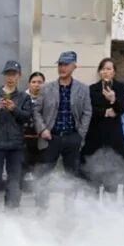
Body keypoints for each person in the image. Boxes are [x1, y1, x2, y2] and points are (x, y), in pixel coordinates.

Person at [32, 51, 92, 210]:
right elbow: (36, 111)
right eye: (60, 64)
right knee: (44, 174)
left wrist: (80, 134)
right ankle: (41, 207)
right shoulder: (46, 89)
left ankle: (69, 208)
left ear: (74, 66)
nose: (62, 68)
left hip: (72, 137)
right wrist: (42, 129)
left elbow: (87, 112)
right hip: (51, 137)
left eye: (66, 64)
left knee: (71, 175)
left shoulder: (83, 89)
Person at [0, 60, 33, 210]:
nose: (10, 78)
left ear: (19, 76)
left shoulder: (24, 97)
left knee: (14, 180)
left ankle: (12, 210)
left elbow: (27, 118)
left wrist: (14, 109)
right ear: (4, 76)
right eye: (8, 74)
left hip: (16, 146)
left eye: (14, 74)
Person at [83, 57, 124, 197]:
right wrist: (105, 112)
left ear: (114, 72)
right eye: (103, 69)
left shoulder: (121, 88)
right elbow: (89, 110)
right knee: (93, 175)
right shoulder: (92, 89)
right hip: (95, 135)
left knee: (111, 175)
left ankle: (109, 210)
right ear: (99, 72)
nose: (106, 72)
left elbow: (122, 108)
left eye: (109, 69)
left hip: (113, 136)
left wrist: (113, 100)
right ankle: (93, 208)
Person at [21, 72, 45, 192]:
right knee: (21, 170)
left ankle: (40, 201)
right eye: (34, 82)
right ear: (29, 84)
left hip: (41, 141)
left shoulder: (47, 98)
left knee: (40, 173)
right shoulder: (22, 98)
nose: (37, 85)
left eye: (40, 82)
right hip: (24, 140)